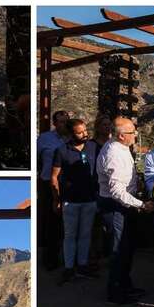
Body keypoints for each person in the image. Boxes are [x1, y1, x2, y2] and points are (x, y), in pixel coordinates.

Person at [97, 117, 154, 304]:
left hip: (123, 205)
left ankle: (125, 285)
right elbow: (116, 191)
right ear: (122, 136)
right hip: (116, 207)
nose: (135, 134)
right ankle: (116, 292)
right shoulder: (114, 153)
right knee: (119, 249)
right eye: (132, 132)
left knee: (126, 248)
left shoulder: (120, 148)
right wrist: (141, 204)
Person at [51, 118, 99, 284]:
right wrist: (56, 199)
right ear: (71, 134)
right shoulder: (62, 151)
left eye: (85, 130)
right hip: (70, 201)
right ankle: (69, 268)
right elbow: (54, 177)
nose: (84, 134)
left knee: (85, 234)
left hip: (90, 199)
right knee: (70, 235)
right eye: (80, 132)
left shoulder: (93, 146)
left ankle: (82, 265)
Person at [38, 110, 71, 271]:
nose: (64, 124)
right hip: (47, 183)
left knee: (68, 223)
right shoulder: (45, 139)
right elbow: (36, 160)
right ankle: (50, 259)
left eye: (67, 121)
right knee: (50, 222)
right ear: (55, 123)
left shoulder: (73, 139)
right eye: (61, 121)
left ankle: (68, 259)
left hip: (69, 185)